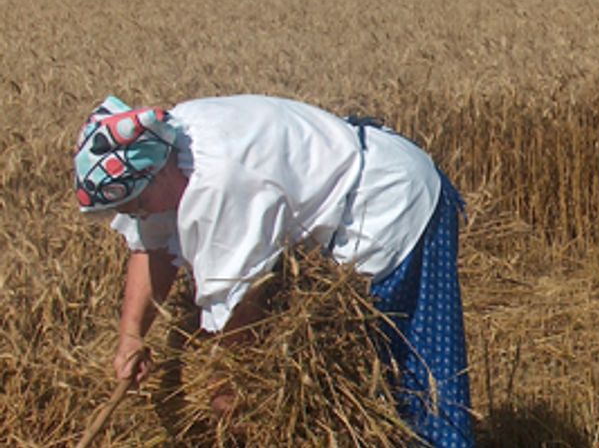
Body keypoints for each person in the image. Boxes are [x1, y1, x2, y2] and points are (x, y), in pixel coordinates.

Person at [74, 94, 473, 447]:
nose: (137, 214)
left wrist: (227, 393)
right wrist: (130, 338)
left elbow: (240, 310)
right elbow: (152, 245)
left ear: (157, 174)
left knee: (413, 373)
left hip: (389, 205)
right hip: (344, 208)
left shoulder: (218, 185)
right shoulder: (166, 146)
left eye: (136, 204)